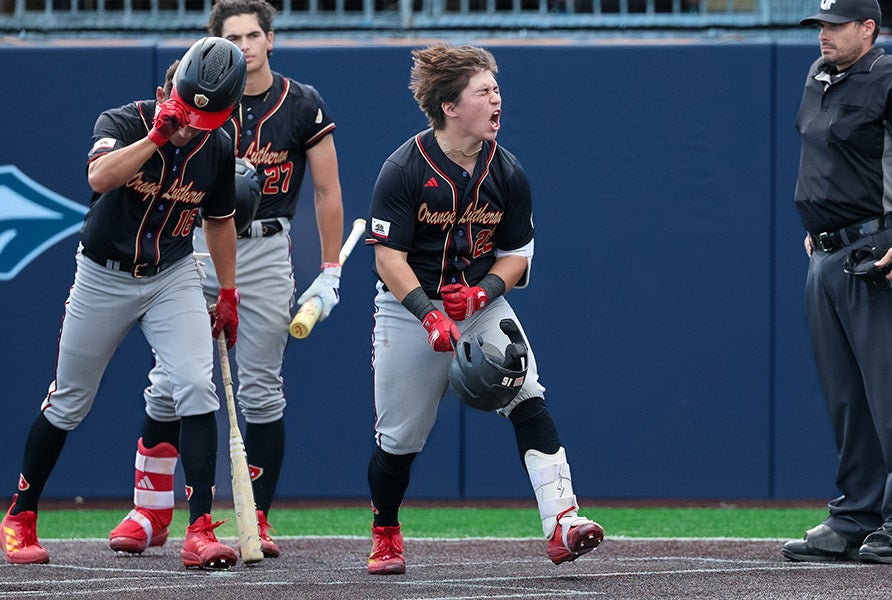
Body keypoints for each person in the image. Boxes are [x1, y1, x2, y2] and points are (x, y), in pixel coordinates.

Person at [107, 0, 344, 559]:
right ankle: (150, 510)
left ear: (270, 39)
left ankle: (253, 515)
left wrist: (329, 268)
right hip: (192, 243)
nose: (244, 46)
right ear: (212, 44)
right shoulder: (197, 96)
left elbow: (327, 190)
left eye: (253, 35)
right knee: (170, 380)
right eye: (232, 37)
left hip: (264, 247)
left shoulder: (301, 103)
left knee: (261, 386)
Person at [0, 37, 246, 569]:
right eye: (186, 111)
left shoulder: (220, 144)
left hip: (173, 275)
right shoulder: (125, 120)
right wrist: (159, 135)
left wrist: (227, 291)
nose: (192, 130)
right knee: (69, 400)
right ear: (167, 90)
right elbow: (99, 177)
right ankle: (20, 513)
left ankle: (199, 528)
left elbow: (220, 220)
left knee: (196, 387)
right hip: (103, 275)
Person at [363, 43, 603, 576]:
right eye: (484, 91)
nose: (498, 99)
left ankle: (563, 522)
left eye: (497, 89)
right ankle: (385, 528)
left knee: (529, 395)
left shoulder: (508, 171)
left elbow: (517, 255)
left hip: (477, 303)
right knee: (399, 440)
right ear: (451, 106)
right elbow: (388, 259)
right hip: (410, 309)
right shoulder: (403, 168)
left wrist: (482, 294)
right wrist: (429, 314)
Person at [783, 0, 892, 565]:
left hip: (878, 254)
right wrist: (823, 222)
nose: (822, 34)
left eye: (834, 25)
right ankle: (857, 517)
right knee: (848, 399)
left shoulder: (887, 77)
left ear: (868, 28)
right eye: (819, 25)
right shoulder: (819, 76)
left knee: (888, 393)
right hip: (827, 254)